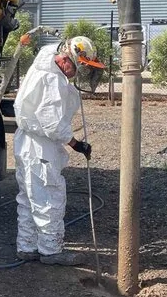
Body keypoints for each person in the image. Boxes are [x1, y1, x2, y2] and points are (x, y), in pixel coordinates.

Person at [13, 35, 105, 265]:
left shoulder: (46, 62)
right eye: (77, 66)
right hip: (41, 147)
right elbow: (53, 124)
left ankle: (27, 246)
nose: (78, 72)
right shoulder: (52, 80)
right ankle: (51, 251)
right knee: (49, 198)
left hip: (27, 142)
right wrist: (77, 144)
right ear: (65, 58)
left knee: (29, 197)